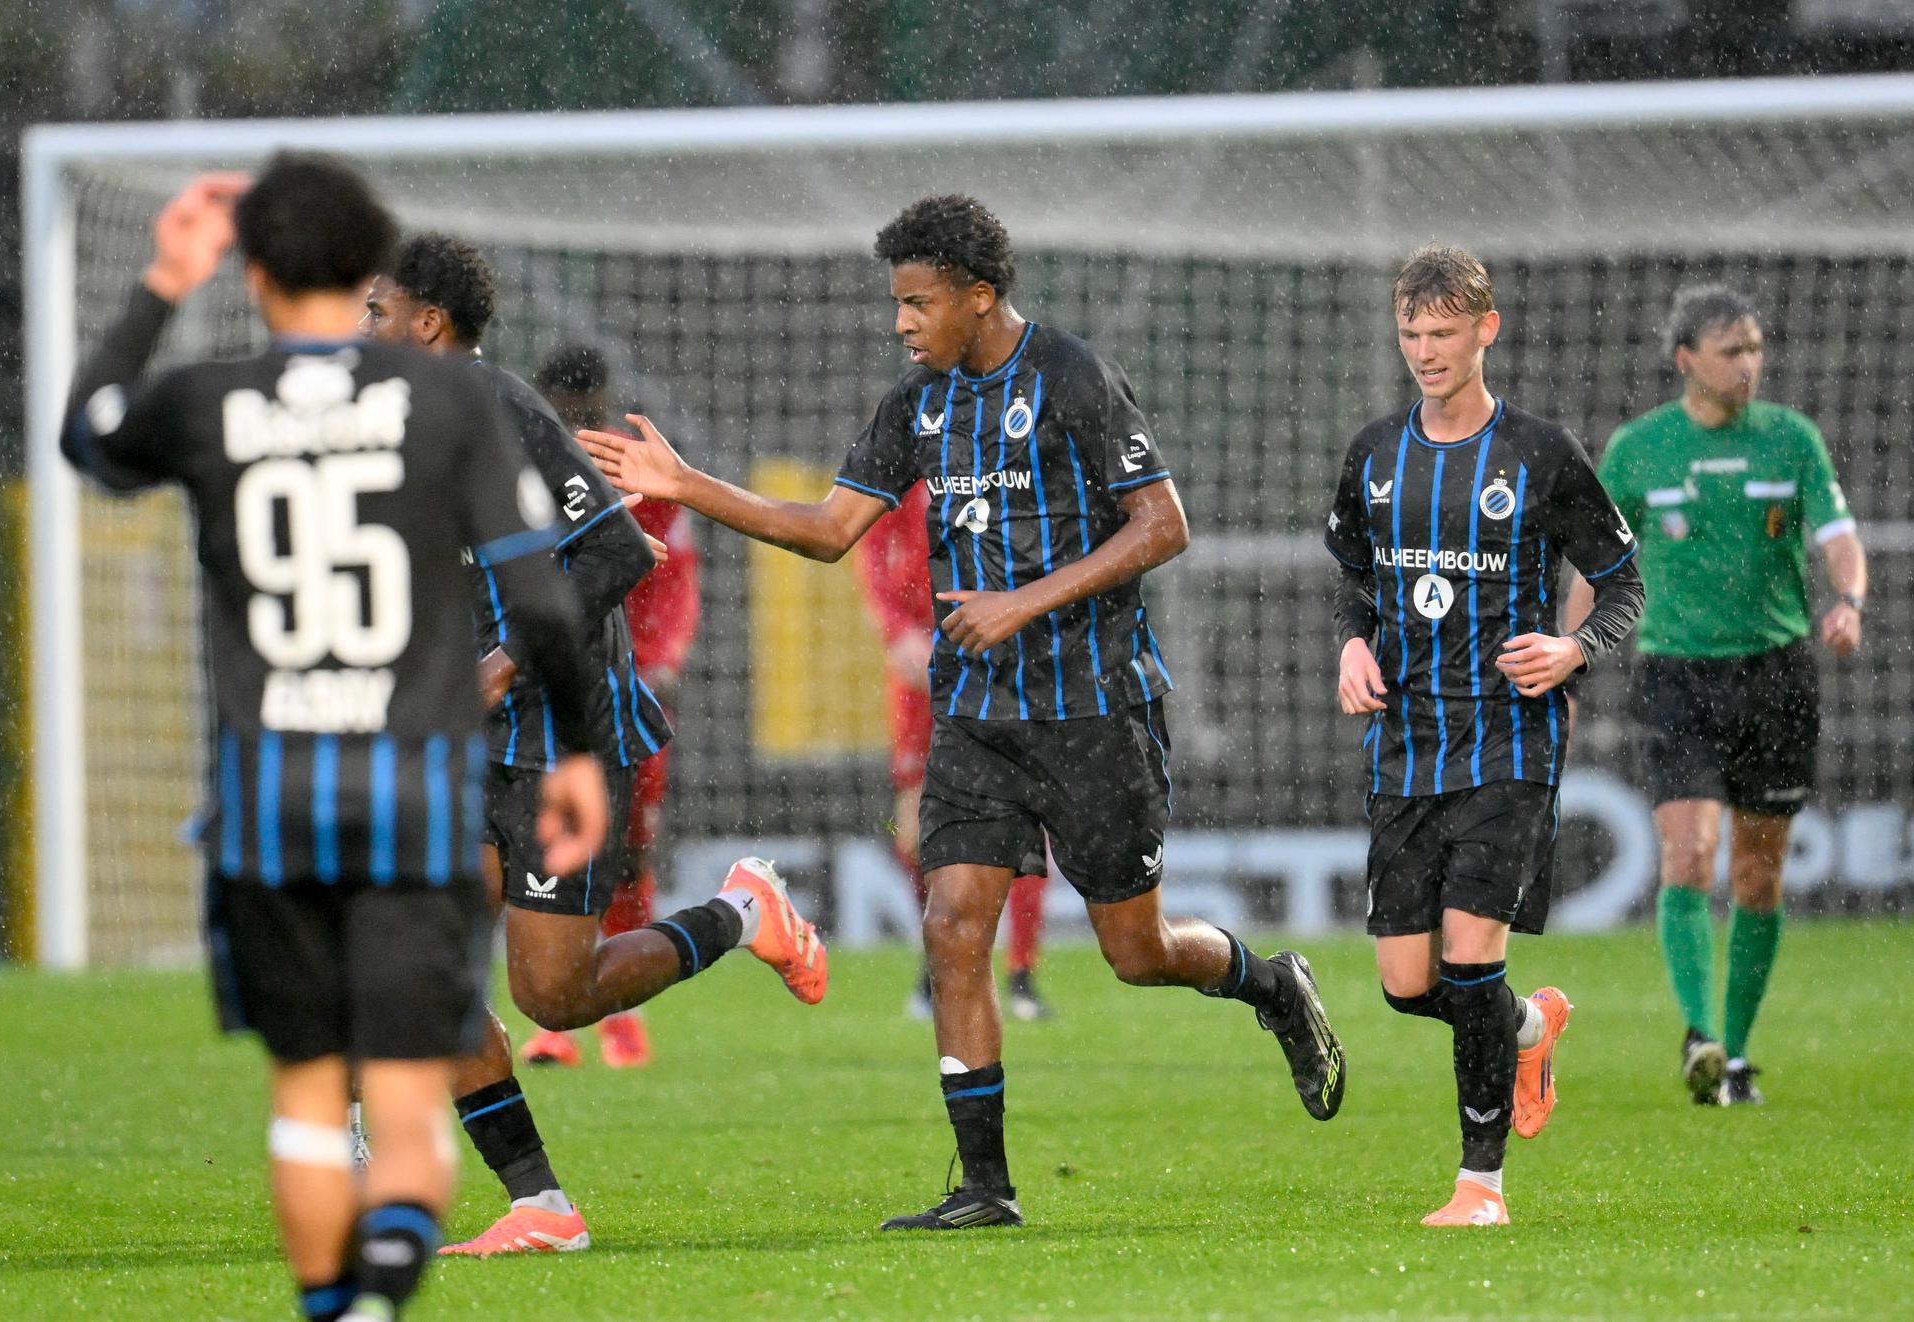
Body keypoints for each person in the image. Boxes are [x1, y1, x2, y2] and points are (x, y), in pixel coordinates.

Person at [580, 193, 1346, 1232]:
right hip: (977, 712)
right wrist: (686, 482)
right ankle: (985, 1183)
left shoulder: (1072, 376)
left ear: (980, 297)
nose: (902, 322)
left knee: (1137, 949)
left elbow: (1164, 525)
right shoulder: (917, 405)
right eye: (896, 301)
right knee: (950, 927)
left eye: (918, 301)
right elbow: (825, 529)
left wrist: (1025, 600)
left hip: (1094, 709)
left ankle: (1272, 983)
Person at [59, 157, 610, 1322]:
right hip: (414, 783)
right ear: (360, 270)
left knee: (316, 1087)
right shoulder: (448, 403)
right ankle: (397, 1268)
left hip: (273, 795)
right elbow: (551, 603)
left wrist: (163, 281)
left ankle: (339, 1299)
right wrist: (571, 755)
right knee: (412, 1066)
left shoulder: (210, 399)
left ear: (252, 272)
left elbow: (86, 432)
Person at [362, 236, 827, 1258]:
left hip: (563, 740)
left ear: (429, 322)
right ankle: (539, 1201)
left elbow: (617, 552)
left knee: (553, 995)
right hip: (471, 742)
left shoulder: (509, 412)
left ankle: (745, 909)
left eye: (379, 309)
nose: (367, 329)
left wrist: (497, 664)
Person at [1325, 244, 1643, 1227]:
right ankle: (1528, 1024)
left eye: (1442, 332)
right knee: (1406, 982)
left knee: (1467, 961)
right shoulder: (1376, 453)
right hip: (1406, 745)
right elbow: (1352, 575)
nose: (1424, 349)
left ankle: (1480, 1186)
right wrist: (1349, 644)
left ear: (1485, 330)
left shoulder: (1540, 454)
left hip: (1508, 742)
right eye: (1410, 332)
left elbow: (1623, 581)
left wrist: (1575, 645)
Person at [1565, 285, 1866, 1107]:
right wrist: (1573, 664)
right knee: (1688, 856)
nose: (1749, 364)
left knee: (1759, 876)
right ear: (1686, 360)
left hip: (1775, 674)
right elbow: (1598, 566)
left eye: (1756, 348)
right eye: (1733, 350)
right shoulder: (1638, 450)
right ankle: (1699, 1034)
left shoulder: (1791, 441)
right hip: (1676, 678)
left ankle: (1732, 1056)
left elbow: (1838, 538)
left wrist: (1850, 599)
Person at [516, 344, 706, 1069]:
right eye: (561, 414)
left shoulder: (636, 467)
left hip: (626, 688)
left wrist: (660, 659)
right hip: (542, 693)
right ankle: (555, 1023)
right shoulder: (513, 465)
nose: (573, 425)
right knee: (544, 848)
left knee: (627, 853)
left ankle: (622, 1023)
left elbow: (676, 573)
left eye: (583, 413)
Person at [856, 481, 1055, 1021]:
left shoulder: (1006, 465)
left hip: (1000, 660)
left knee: (1024, 815)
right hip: (923, 673)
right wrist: (897, 633)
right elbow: (870, 552)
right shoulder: (909, 475)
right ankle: (938, 958)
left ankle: (1021, 974)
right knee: (912, 832)